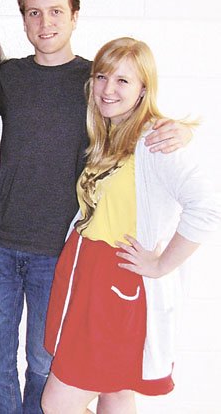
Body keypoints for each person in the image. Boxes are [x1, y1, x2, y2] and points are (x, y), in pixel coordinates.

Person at [0, 0, 191, 414]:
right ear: (24, 21)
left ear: (74, 17)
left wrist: (181, 132)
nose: (45, 22)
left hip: (59, 250)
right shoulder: (8, 76)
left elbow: (139, 116)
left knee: (44, 364)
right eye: (34, 13)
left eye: (56, 11)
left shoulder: (98, 81)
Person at [40, 37, 221, 413]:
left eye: (123, 81)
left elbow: (207, 207)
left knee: (58, 402)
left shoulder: (154, 139)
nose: (108, 89)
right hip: (86, 274)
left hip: (117, 284)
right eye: (103, 76)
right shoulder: (108, 135)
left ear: (143, 89)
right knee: (115, 391)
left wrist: (160, 264)